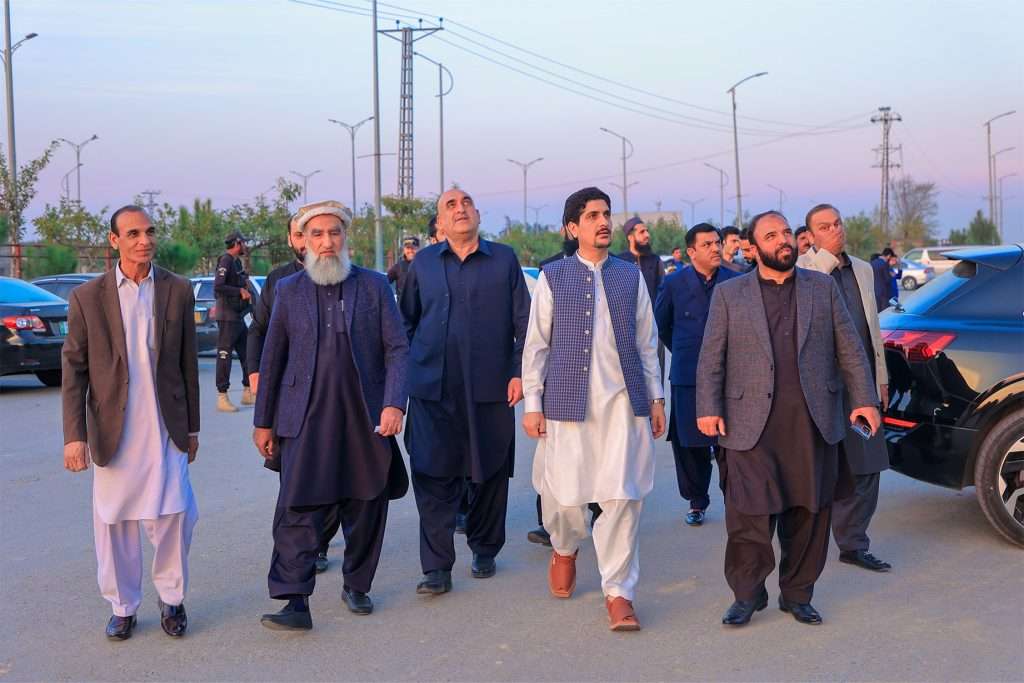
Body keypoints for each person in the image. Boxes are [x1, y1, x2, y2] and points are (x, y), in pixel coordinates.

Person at [696, 210, 880, 627]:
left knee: (809, 515)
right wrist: (707, 407)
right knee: (749, 517)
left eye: (785, 232)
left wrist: (864, 399)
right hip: (749, 426)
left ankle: (797, 594)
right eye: (771, 235)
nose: (782, 240)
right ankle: (747, 594)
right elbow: (711, 358)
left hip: (811, 424)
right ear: (753, 247)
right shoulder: (730, 294)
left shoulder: (821, 287)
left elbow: (850, 348)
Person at [253, 200, 410, 629]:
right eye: (317, 234)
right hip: (305, 417)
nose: (327, 242)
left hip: (364, 416)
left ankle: (357, 585)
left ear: (345, 238)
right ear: (303, 241)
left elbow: (397, 348)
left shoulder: (374, 286)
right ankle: (294, 601)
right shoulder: (289, 290)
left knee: (367, 502)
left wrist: (394, 403)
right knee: (297, 507)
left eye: (334, 233)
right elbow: (273, 358)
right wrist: (263, 422)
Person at [523, 187, 665, 632]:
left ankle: (619, 592)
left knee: (623, 496)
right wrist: (532, 403)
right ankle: (565, 547)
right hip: (567, 404)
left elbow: (647, 342)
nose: (603, 222)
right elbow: (537, 346)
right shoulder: (553, 277)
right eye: (591, 216)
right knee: (564, 496)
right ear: (572, 228)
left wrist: (656, 398)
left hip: (623, 405)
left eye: (606, 214)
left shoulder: (630, 276)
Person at [62, 205, 200, 640]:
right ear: (114, 240)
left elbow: (188, 364)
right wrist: (74, 436)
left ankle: (172, 598)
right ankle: (122, 607)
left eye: (150, 231)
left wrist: (192, 428)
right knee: (115, 522)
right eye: (134, 233)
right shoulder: (87, 297)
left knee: (175, 515)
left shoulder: (177, 289)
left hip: (165, 427)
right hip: (112, 429)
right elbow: (74, 370)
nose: (145, 240)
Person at [400, 188, 531, 595]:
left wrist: (518, 373)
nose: (461, 209)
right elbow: (405, 323)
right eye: (451, 205)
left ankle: (485, 547)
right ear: (440, 223)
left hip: (490, 387)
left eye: (467, 203)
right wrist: (411, 373)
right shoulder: (423, 263)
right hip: (432, 390)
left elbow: (524, 323)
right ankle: (436, 568)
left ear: (477, 214)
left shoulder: (504, 260)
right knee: (431, 471)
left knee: (490, 471)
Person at [799, 204, 892, 573]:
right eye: (825, 227)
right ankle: (811, 542)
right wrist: (827, 258)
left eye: (838, 223)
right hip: (819, 390)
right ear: (810, 236)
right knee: (822, 467)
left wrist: (880, 379)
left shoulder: (863, 269)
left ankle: (853, 543)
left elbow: (873, 330)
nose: (835, 230)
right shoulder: (802, 269)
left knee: (868, 464)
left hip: (860, 389)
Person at [246, 211, 339, 574]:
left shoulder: (346, 277)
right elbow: (259, 332)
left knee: (334, 474)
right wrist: (255, 374)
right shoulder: (280, 282)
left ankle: (320, 543)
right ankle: (294, 553)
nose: (310, 242)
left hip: (335, 398)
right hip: (291, 398)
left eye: (325, 233)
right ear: (293, 239)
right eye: (302, 235)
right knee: (295, 479)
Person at [654, 223, 741, 526]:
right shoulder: (674, 283)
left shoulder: (736, 280)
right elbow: (661, 326)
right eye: (707, 244)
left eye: (718, 242)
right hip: (688, 373)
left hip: (731, 375)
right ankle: (696, 501)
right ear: (691, 252)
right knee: (690, 444)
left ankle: (736, 501)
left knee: (731, 442)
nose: (716, 248)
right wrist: (684, 349)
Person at [214, 229, 253, 412]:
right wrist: (239, 291)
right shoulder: (226, 260)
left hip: (239, 316)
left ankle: (248, 391)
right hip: (227, 317)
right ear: (237, 243)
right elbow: (219, 286)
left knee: (247, 353)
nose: (245, 246)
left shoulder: (236, 262)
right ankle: (222, 396)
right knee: (225, 355)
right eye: (243, 242)